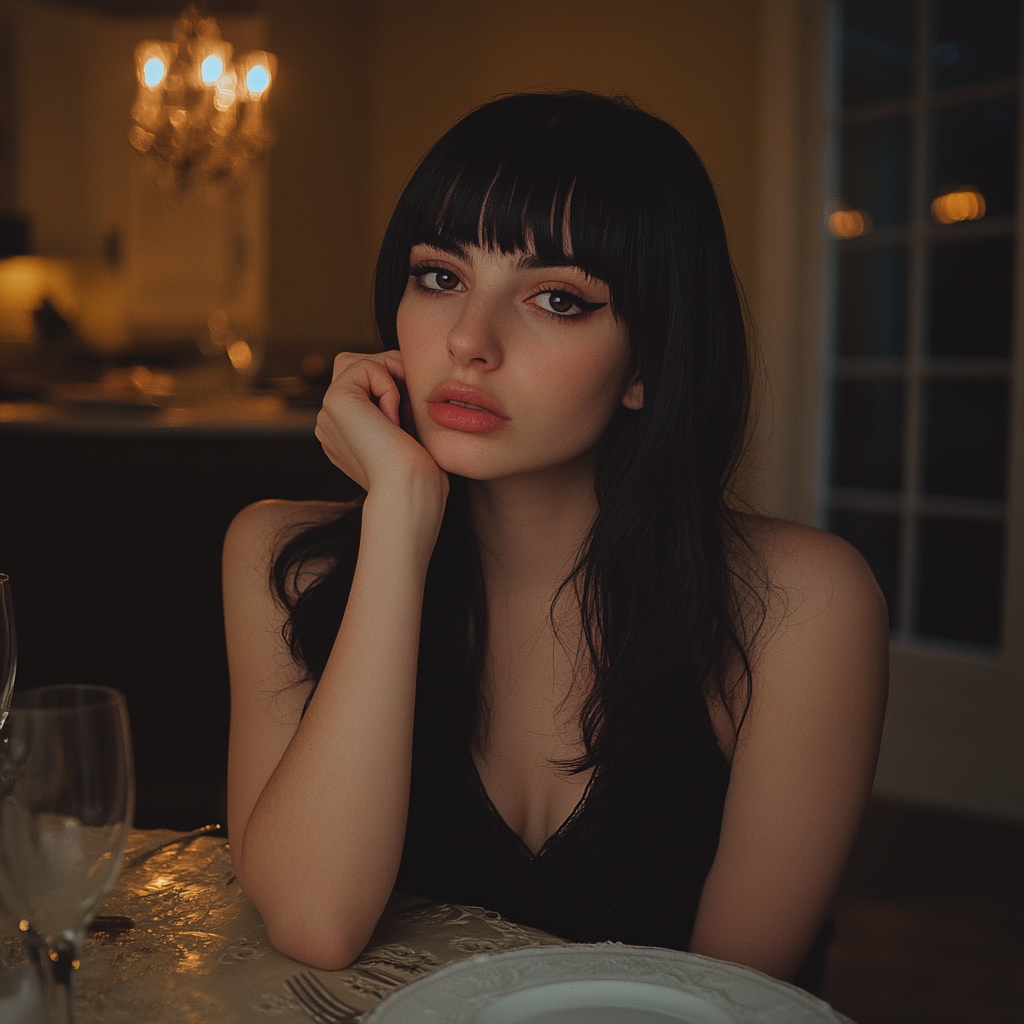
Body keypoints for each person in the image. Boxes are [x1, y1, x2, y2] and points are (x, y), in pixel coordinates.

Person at [222, 91, 888, 990]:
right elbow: (314, 919)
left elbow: (728, 1004)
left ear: (647, 365)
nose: (468, 341)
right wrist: (399, 518)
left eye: (558, 299)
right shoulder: (281, 560)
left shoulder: (802, 606)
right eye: (442, 277)